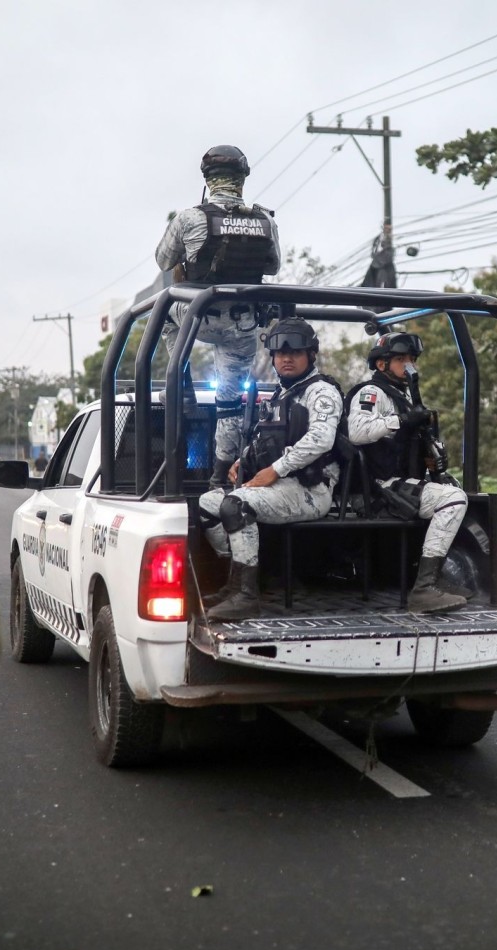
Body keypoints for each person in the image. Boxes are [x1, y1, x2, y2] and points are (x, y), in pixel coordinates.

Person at [155, 144, 282, 487]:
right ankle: (220, 475)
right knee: (229, 405)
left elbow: (163, 261)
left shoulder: (189, 218)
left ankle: (181, 384)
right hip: (242, 325)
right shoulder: (265, 220)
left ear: (208, 179)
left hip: (198, 317)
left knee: (162, 312)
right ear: (242, 178)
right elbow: (273, 266)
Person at [198, 318, 340, 621]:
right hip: (280, 488)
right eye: (280, 354)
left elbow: (321, 439)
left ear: (311, 355)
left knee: (236, 504)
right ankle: (239, 582)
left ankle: (246, 597)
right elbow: (267, 440)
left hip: (311, 489)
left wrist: (274, 470)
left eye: (296, 352)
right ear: (273, 358)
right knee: (207, 505)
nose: (286, 359)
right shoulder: (280, 395)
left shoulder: (321, 392)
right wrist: (243, 462)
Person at [346, 331, 469, 613]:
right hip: (376, 488)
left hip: (399, 483)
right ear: (381, 365)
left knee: (454, 488)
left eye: (412, 359)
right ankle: (424, 588)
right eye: (401, 359)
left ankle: (431, 580)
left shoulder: (404, 396)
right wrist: (402, 420)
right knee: (452, 500)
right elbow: (357, 432)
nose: (409, 365)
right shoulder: (371, 392)